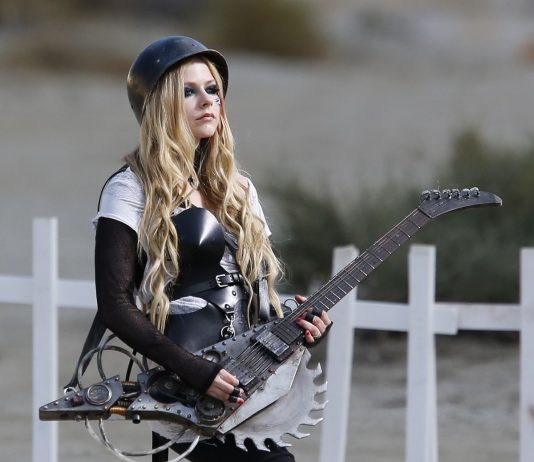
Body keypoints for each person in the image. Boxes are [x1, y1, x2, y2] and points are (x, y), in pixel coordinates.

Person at [93, 36, 332, 462]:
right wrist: (195, 371)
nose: (207, 100)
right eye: (189, 91)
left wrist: (297, 326)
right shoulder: (130, 188)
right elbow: (114, 304)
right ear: (160, 106)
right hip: (184, 398)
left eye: (213, 90)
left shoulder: (240, 190)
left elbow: (254, 296)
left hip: (249, 392)